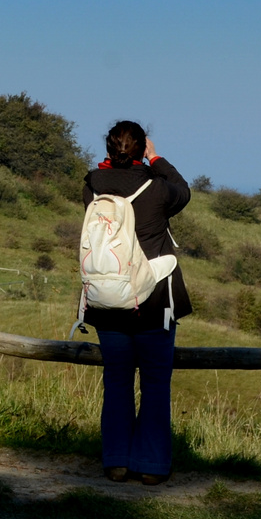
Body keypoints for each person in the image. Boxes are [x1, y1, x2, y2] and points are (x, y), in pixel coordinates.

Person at [82, 120, 192, 486]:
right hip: (155, 301)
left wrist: (115, 163)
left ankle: (116, 461)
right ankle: (151, 465)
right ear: (141, 148)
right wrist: (156, 158)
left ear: (110, 150)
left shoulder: (92, 187)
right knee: (156, 383)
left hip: (106, 301)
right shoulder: (158, 189)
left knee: (116, 380)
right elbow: (184, 191)